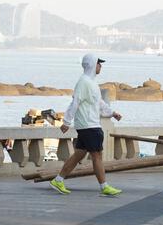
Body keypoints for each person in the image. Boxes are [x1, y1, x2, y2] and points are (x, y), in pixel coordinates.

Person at [49, 53, 124, 197]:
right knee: (97, 156)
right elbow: (75, 102)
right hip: (88, 125)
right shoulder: (83, 82)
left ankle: (58, 180)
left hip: (89, 124)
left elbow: (99, 103)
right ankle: (104, 187)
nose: (100, 66)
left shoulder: (92, 82)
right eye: (98, 63)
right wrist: (66, 122)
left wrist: (112, 112)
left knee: (79, 155)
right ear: (91, 65)